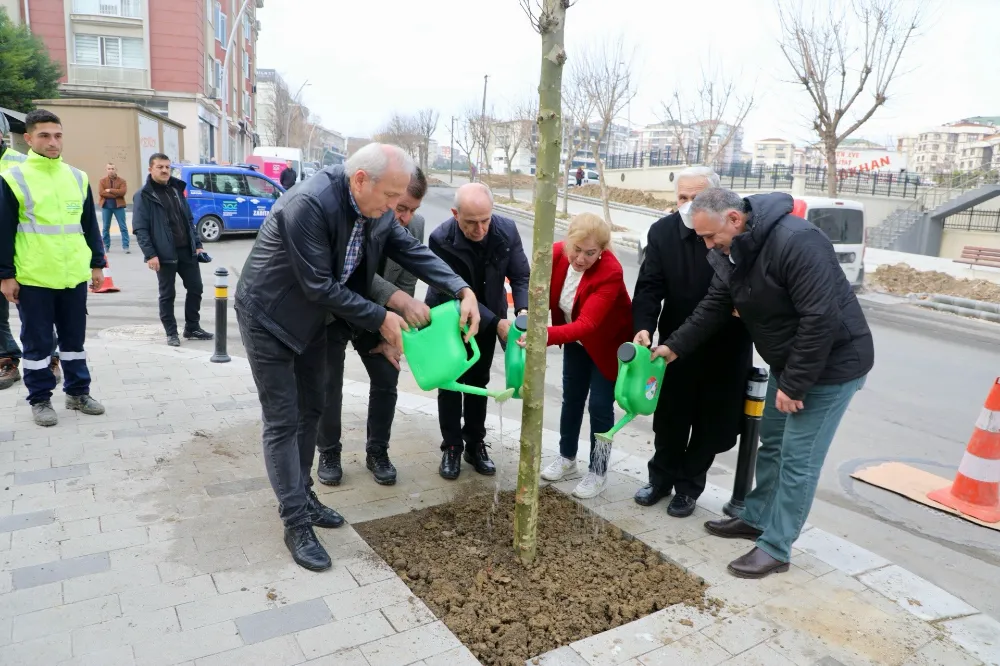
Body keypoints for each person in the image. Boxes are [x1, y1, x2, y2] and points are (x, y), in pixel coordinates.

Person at [236, 143, 479, 571]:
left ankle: (304, 495)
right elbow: (320, 286)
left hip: (310, 321)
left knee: (312, 408)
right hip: (269, 318)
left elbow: (411, 250)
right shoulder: (309, 205)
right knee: (283, 418)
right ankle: (295, 522)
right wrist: (383, 318)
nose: (393, 208)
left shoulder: (375, 208)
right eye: (389, 197)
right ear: (361, 180)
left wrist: (462, 289)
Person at [654, 188, 874, 579]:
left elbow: (819, 318)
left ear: (735, 220)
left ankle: (776, 547)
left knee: (798, 461)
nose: (706, 245)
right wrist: (673, 347)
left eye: (709, 236)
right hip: (788, 364)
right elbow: (714, 305)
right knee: (771, 442)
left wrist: (796, 385)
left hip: (830, 366)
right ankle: (755, 517)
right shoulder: (734, 251)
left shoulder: (797, 241)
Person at [631, 167, 753, 518]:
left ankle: (689, 487)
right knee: (669, 417)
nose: (687, 205)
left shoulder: (736, 235)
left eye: (695, 199)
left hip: (725, 347)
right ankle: (660, 478)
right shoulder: (663, 233)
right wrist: (643, 326)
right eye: (682, 198)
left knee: (710, 422)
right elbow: (649, 286)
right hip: (674, 344)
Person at [316, 167, 431, 487]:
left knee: (386, 377)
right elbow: (351, 273)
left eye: (413, 210)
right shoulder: (358, 217)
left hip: (382, 318)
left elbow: (408, 282)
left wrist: (398, 336)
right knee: (328, 384)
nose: (406, 218)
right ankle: (328, 451)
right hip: (336, 313)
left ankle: (377, 451)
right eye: (402, 206)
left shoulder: (414, 226)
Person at [0, 109, 107, 427]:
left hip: (72, 275)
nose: (52, 142)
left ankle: (77, 393)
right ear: (29, 139)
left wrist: (97, 264)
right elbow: (4, 231)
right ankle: (41, 399)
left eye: (57, 135)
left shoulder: (77, 176)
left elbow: (89, 226)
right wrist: (6, 275)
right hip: (34, 277)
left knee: (74, 341)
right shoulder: (14, 178)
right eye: (44, 136)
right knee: (38, 344)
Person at [426, 182, 530, 480]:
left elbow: (521, 275)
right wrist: (495, 322)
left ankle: (474, 443)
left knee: (479, 381)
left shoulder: (506, 230)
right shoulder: (440, 239)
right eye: (471, 222)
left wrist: (521, 312)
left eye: (485, 220)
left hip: (492, 317)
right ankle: (452, 447)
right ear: (455, 213)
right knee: (450, 381)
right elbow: (449, 291)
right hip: (450, 317)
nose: (480, 229)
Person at [532, 213, 633, 498]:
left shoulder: (610, 271)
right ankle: (566, 457)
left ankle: (598, 471)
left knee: (600, 406)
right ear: (568, 242)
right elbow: (536, 292)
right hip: (575, 342)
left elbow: (588, 325)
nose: (580, 259)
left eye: (590, 253)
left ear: (602, 250)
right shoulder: (555, 255)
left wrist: (544, 336)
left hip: (607, 345)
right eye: (576, 249)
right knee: (572, 398)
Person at [132, 153, 214, 347]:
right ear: (150, 169)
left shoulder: (176, 189)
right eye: (160, 167)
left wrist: (198, 245)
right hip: (163, 254)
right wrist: (150, 254)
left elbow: (188, 220)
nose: (164, 170)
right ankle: (171, 332)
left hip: (187, 251)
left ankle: (192, 327)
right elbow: (140, 228)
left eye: (167, 167)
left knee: (196, 288)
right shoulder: (144, 195)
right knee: (168, 294)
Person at [0, 112, 26, 390]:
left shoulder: (20, 162)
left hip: (21, 250)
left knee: (37, 310)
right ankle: (7, 359)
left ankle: (51, 358)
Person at [99, 163, 129, 253]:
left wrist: (110, 190)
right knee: (105, 228)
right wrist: (116, 194)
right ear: (106, 170)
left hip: (118, 206)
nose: (111, 170)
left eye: (112, 168)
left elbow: (122, 192)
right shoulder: (102, 181)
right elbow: (102, 193)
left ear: (116, 170)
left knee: (123, 227)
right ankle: (106, 246)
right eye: (109, 168)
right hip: (106, 207)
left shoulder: (122, 181)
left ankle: (126, 246)